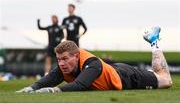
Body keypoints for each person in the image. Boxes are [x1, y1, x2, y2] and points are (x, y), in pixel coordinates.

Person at [16, 27, 172, 93]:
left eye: (65, 59)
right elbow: (49, 79)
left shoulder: (92, 63)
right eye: (59, 60)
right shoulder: (65, 67)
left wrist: (53, 90)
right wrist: (31, 88)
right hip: (113, 70)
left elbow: (80, 85)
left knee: (165, 80)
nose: (61, 63)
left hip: (127, 77)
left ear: (76, 56)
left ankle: (154, 42)